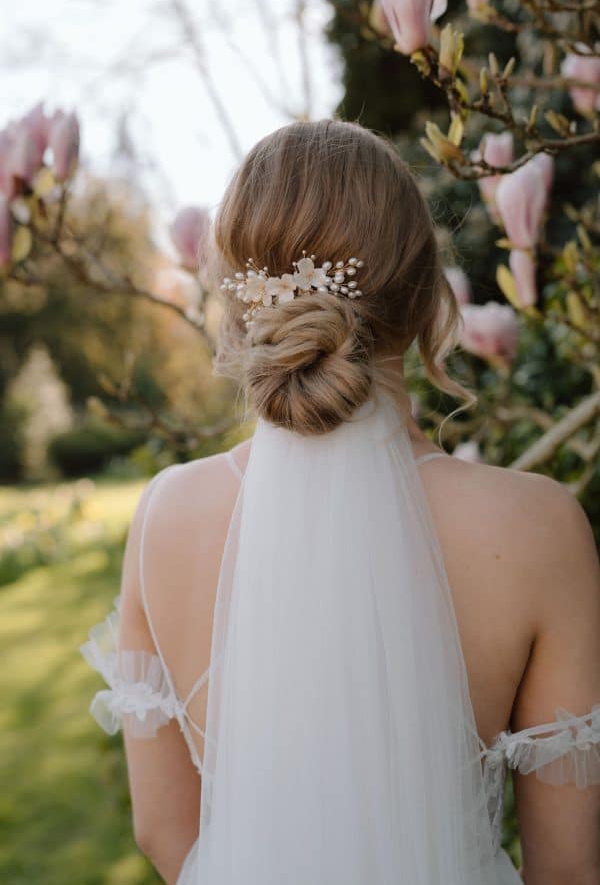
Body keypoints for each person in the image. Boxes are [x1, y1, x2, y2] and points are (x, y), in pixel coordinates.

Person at [81, 120, 600, 885]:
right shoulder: (538, 527)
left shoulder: (166, 516)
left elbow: (164, 831)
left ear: (235, 298)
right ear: (427, 302)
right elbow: (566, 868)